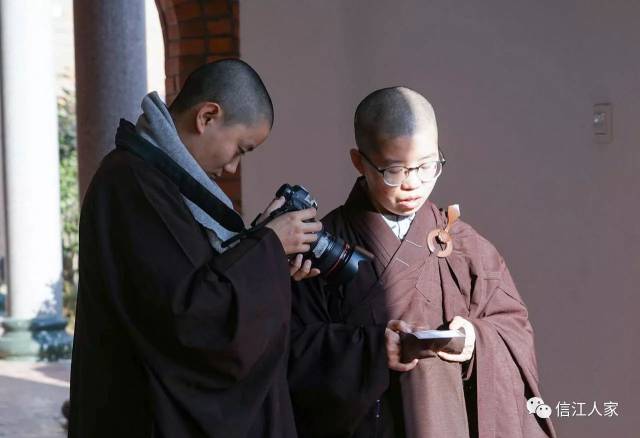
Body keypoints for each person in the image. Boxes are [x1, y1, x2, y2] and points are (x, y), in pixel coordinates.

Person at [68, 59, 321, 437]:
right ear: (207, 117)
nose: (234, 167)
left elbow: (200, 276)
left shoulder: (162, 180)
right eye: (241, 148)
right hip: (142, 414)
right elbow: (191, 318)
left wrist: (265, 255)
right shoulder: (131, 184)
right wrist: (267, 245)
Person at [288, 87, 556, 438]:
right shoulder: (323, 247)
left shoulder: (464, 245)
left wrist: (474, 340)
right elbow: (292, 349)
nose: (414, 183)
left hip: (449, 420)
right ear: (360, 161)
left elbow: (513, 329)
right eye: (395, 171)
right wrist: (370, 350)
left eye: (428, 166)